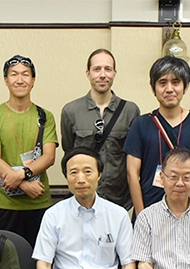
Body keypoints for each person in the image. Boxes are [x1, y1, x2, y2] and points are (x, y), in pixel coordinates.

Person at [0, 54, 58, 247]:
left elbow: (49, 157)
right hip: (5, 203)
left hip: (39, 200)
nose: (20, 79)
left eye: (25, 74)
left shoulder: (45, 116)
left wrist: (22, 174)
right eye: (14, 74)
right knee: (4, 258)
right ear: (6, 80)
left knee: (39, 259)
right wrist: (23, 184)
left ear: (33, 81)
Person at [125, 56, 190, 216]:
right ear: (153, 89)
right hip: (149, 210)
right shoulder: (141, 124)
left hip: (185, 211)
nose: (169, 89)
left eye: (176, 82)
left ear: (185, 87)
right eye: (162, 83)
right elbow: (132, 173)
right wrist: (141, 214)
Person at [60, 49, 140, 210]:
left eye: (108, 69)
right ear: (88, 73)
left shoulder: (130, 111)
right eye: (97, 69)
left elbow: (134, 157)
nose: (102, 75)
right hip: (84, 198)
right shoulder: (71, 111)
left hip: (119, 199)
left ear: (114, 73)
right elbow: (70, 152)